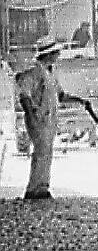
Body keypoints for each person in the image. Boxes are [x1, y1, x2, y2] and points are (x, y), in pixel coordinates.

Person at [15, 38, 65, 199]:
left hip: (48, 119)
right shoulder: (34, 72)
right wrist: (31, 115)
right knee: (41, 152)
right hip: (37, 118)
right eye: (56, 52)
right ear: (48, 55)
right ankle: (33, 189)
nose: (58, 55)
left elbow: (60, 95)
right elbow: (24, 96)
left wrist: (80, 101)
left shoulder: (50, 73)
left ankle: (42, 187)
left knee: (46, 152)